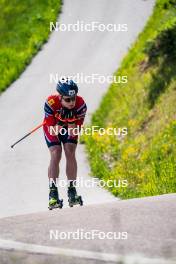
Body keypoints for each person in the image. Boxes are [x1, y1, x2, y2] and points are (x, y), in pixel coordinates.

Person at [43, 78, 87, 209]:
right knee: (56, 153)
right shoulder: (51, 102)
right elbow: (53, 131)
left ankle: (72, 190)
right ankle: (53, 192)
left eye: (73, 98)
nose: (72, 102)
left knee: (70, 150)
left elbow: (73, 132)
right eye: (68, 100)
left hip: (69, 127)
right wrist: (62, 121)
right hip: (53, 127)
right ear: (60, 97)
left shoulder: (80, 104)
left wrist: (72, 120)